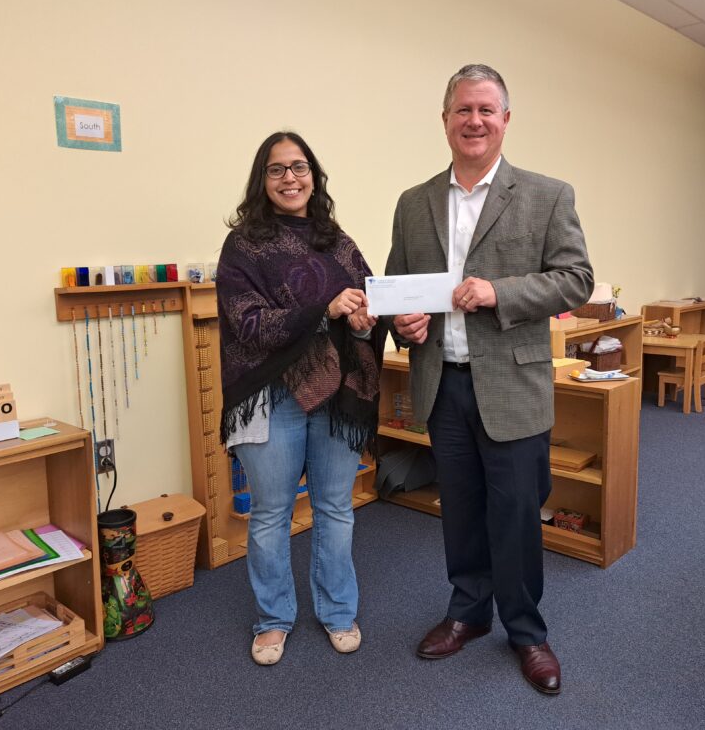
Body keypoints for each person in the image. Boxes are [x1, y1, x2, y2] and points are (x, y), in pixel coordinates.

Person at [384, 65, 593, 694]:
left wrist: (498, 291)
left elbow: (575, 279)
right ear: (444, 119)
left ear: (505, 120)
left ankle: (527, 632)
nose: (473, 121)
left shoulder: (547, 195)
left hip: (512, 384)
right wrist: (405, 326)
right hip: (441, 382)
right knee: (462, 511)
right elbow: (397, 289)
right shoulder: (414, 202)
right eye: (462, 110)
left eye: (486, 110)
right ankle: (467, 612)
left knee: (516, 513)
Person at [217, 131, 385, 666]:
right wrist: (324, 308)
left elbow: (364, 304)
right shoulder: (244, 245)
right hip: (271, 395)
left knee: (336, 508)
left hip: (336, 394)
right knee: (271, 513)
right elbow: (245, 323)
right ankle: (273, 619)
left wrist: (363, 318)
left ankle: (339, 611)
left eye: (299, 167)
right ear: (261, 181)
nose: (290, 178)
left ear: (314, 175)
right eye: (276, 169)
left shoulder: (338, 240)